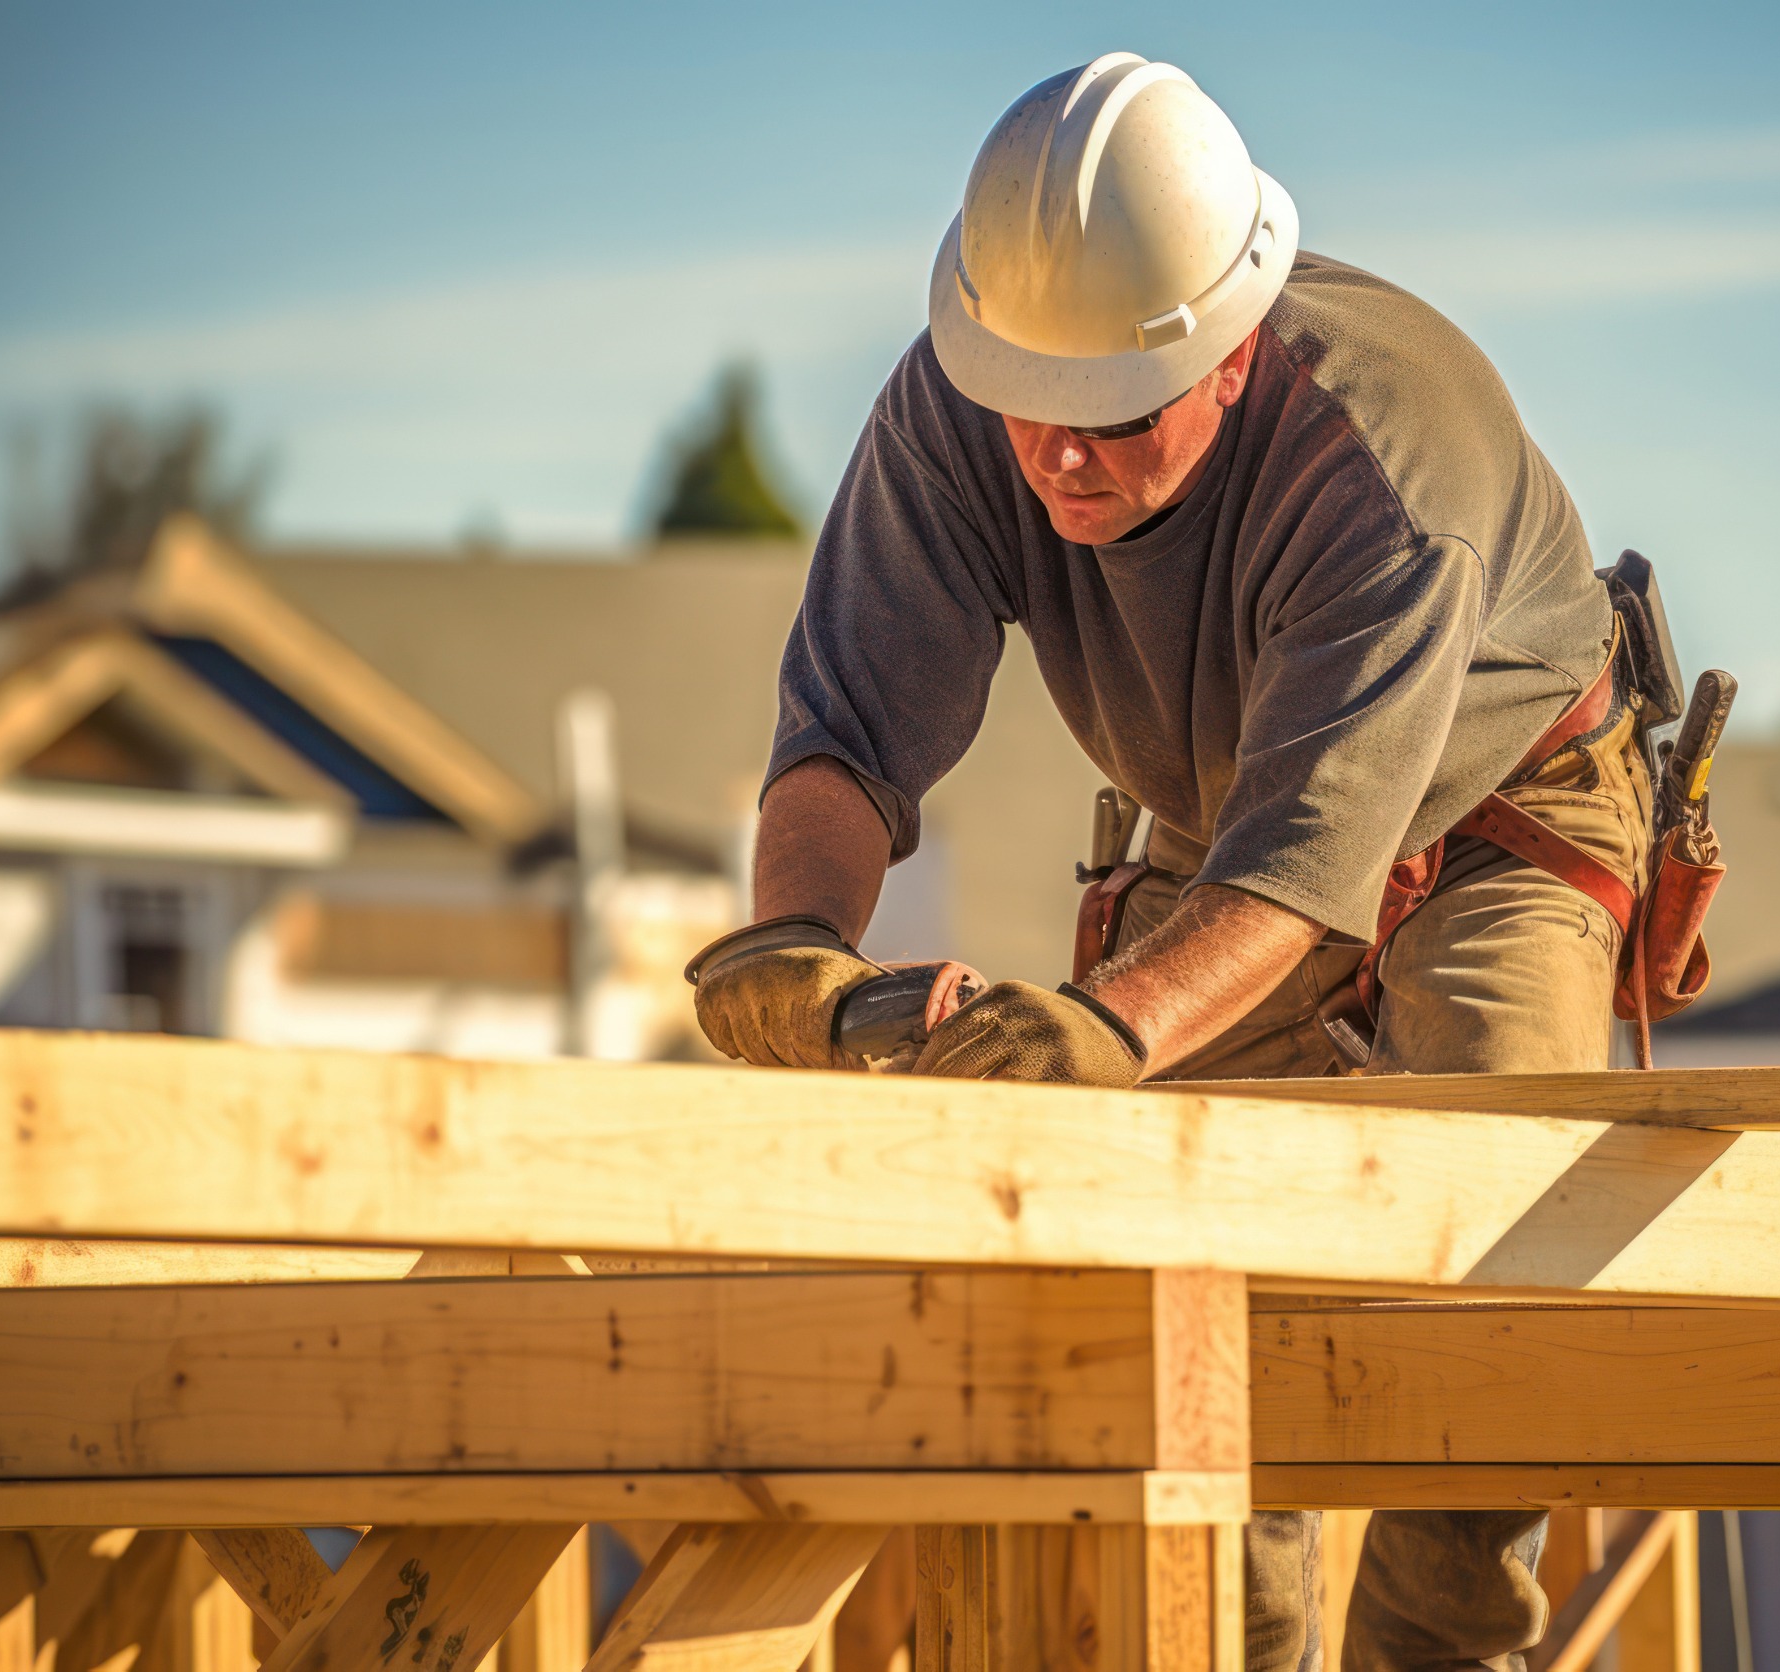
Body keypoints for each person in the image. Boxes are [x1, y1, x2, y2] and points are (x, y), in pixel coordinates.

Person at [691, 52, 1660, 1672]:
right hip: (1222, 838)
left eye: (1117, 420)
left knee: (1501, 1246)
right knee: (1180, 1265)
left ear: (1230, 352)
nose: (1061, 456)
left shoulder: (1390, 464)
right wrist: (797, 941)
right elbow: (845, 737)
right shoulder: (962, 399)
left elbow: (1304, 868)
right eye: (1032, 411)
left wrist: (1108, 1026)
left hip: (1502, 823)